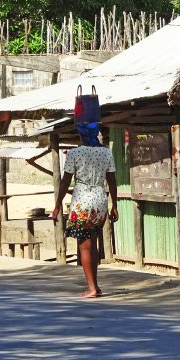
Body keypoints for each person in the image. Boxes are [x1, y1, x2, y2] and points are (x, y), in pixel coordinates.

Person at [50, 122, 119, 298]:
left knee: (84, 245)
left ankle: (92, 288)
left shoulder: (75, 153)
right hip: (100, 200)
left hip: (82, 201)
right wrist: (115, 205)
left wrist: (57, 206)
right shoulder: (106, 152)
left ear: (81, 136)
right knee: (93, 243)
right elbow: (111, 180)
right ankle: (95, 284)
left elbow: (65, 182)